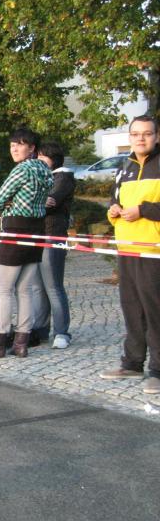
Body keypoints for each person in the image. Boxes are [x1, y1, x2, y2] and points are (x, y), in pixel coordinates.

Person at [0, 128, 53, 359]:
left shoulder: (22, 169)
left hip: (16, 230)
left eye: (20, 144)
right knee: (24, 290)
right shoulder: (45, 170)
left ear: (32, 148)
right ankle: (21, 343)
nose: (14, 149)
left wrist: (9, 203)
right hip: (37, 230)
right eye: (12, 145)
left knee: (3, 290)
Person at [100, 115, 160, 395]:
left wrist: (143, 210)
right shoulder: (124, 167)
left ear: (157, 136)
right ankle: (133, 362)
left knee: (155, 310)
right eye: (135, 134)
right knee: (132, 308)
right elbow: (114, 201)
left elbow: (145, 208)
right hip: (127, 248)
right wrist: (113, 211)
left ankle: (158, 370)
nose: (140, 139)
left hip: (154, 251)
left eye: (146, 134)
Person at [33, 141, 76, 349]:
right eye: (38, 157)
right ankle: (40, 329)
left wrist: (36, 201)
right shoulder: (42, 176)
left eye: (43, 157)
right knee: (38, 286)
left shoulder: (63, 177)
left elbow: (51, 202)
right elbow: (38, 201)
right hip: (36, 235)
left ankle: (62, 332)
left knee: (53, 286)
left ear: (54, 160)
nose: (39, 161)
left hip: (53, 236)